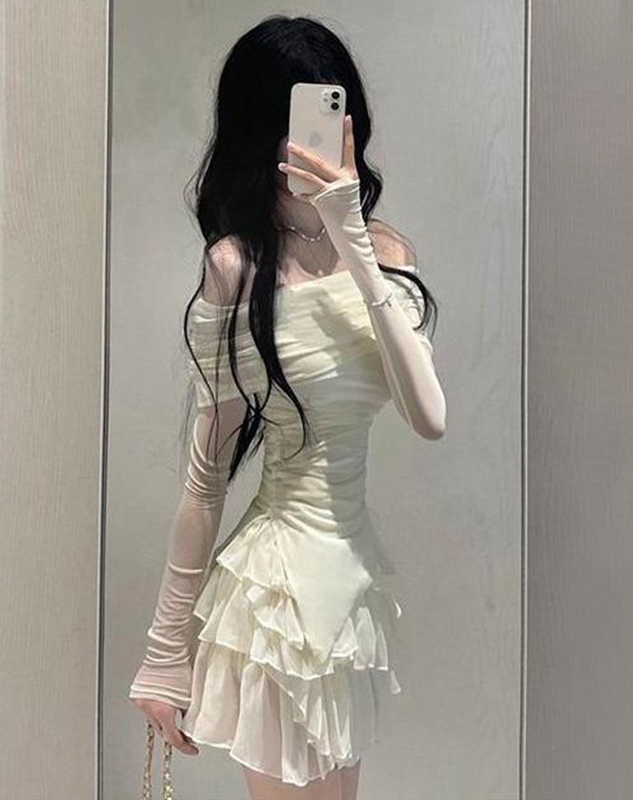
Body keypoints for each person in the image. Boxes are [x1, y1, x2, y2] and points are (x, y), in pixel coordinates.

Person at [129, 14, 446, 800]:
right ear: (259, 133)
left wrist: (353, 240)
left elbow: (429, 416)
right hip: (273, 598)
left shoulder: (388, 252)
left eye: (334, 116)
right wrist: (165, 653)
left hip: (353, 591)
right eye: (296, 122)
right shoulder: (234, 267)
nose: (317, 142)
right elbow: (205, 480)